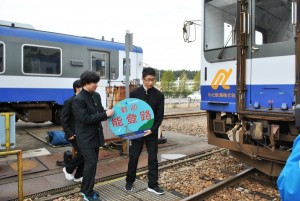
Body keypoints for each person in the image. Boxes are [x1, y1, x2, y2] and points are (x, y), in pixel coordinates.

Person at [73, 70, 114, 201]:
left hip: (95, 136)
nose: (96, 85)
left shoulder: (96, 95)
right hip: (85, 138)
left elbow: (100, 111)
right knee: (91, 163)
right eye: (94, 82)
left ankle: (88, 189)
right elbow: (85, 119)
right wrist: (104, 115)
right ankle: (86, 192)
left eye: (97, 82)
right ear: (86, 83)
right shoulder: (78, 99)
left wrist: (108, 112)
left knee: (92, 163)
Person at [125, 67, 165, 195]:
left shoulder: (159, 95)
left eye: (153, 80)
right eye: (148, 80)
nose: (150, 83)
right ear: (142, 79)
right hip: (137, 132)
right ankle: (129, 181)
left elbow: (159, 116)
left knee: (153, 158)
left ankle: (153, 185)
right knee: (134, 156)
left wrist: (152, 130)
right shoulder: (135, 93)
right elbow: (130, 114)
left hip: (151, 133)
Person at [60, 79, 84, 182]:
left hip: (83, 133)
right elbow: (63, 119)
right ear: (77, 88)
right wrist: (69, 133)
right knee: (84, 153)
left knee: (86, 154)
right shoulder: (69, 101)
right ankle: (68, 168)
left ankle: (78, 175)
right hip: (73, 134)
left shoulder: (84, 101)